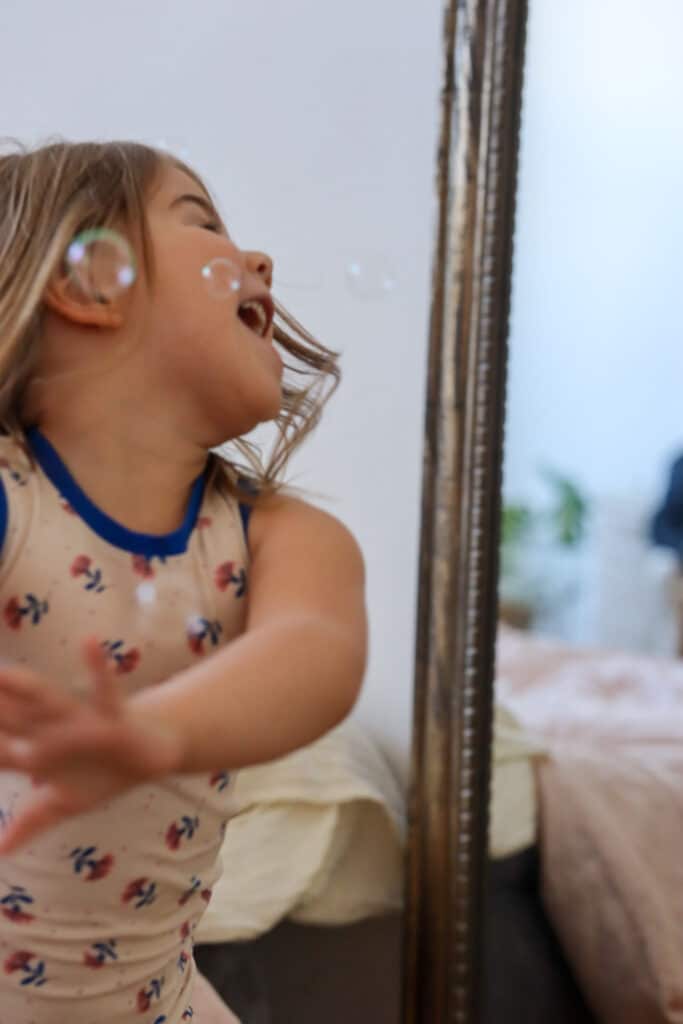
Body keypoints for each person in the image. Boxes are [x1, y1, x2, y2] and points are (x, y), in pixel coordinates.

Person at [0, 139, 368, 1023]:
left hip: (156, 1001)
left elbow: (314, 652)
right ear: (91, 281)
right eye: (201, 222)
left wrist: (149, 731)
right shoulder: (12, 501)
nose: (258, 259)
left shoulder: (281, 535)